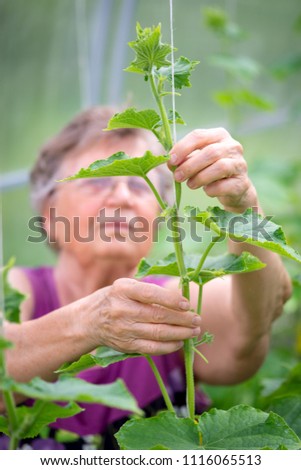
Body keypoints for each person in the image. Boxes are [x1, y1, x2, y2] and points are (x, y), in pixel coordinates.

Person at [1, 106, 292, 448]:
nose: (123, 196)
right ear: (49, 213)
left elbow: (257, 317)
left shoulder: (175, 300)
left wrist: (244, 207)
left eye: (140, 187)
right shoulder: (16, 290)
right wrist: (89, 321)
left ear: (158, 215)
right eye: (98, 181)